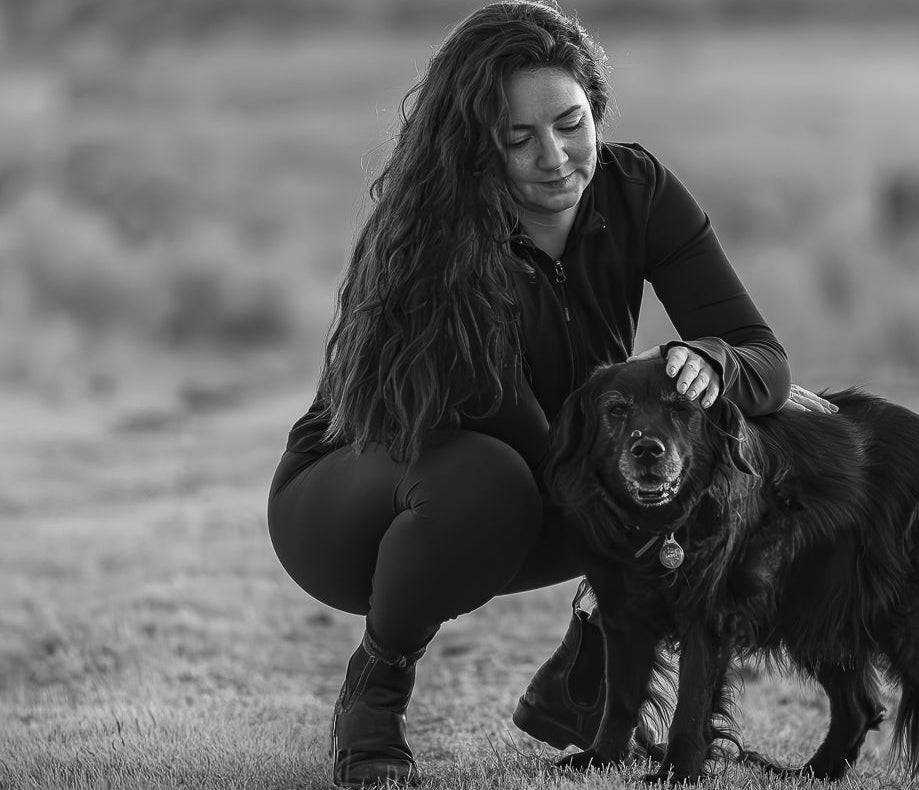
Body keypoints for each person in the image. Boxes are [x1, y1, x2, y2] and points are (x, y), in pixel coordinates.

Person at [266, 1, 835, 786]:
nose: (555, 157)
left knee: (728, 444)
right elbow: (533, 444)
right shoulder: (438, 240)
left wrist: (713, 366)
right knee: (495, 478)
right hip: (361, 505)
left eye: (571, 124)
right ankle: (375, 695)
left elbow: (761, 359)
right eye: (518, 138)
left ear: (594, 109)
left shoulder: (635, 190)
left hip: (539, 486)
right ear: (476, 148)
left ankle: (585, 687)